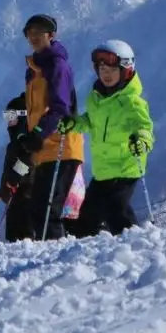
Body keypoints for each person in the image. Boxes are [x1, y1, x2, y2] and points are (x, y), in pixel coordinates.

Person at [0, 13, 84, 242]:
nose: (33, 37)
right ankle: (50, 261)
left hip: (61, 147)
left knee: (47, 211)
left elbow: (60, 107)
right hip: (43, 149)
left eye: (39, 32)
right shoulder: (33, 70)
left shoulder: (57, 66)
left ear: (51, 35)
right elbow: (34, 109)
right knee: (38, 209)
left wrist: (37, 133)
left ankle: (58, 263)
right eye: (29, 33)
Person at [59, 41, 153, 237]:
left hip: (126, 169)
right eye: (101, 69)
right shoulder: (96, 99)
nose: (106, 74)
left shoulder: (132, 102)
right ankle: (86, 253)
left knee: (116, 210)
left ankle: (134, 246)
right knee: (87, 216)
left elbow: (144, 127)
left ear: (126, 70)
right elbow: (90, 121)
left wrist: (142, 141)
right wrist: (74, 124)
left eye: (112, 69)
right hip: (102, 171)